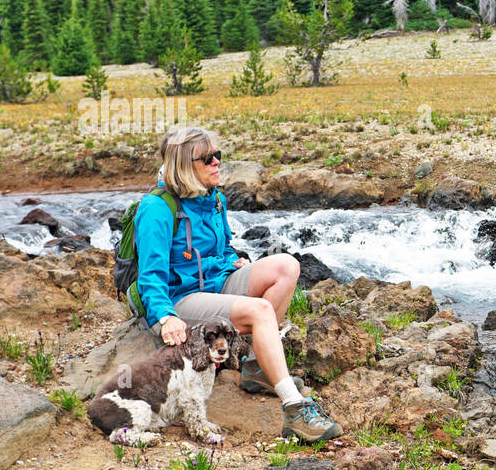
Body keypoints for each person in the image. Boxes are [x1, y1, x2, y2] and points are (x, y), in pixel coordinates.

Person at [135, 126, 342, 442]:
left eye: (217, 154)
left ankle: (258, 368)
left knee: (287, 266)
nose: (217, 162)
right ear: (184, 166)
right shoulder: (156, 209)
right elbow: (151, 277)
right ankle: (295, 410)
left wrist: (233, 261)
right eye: (207, 158)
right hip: (181, 299)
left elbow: (220, 248)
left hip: (215, 284)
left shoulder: (213, 198)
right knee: (260, 311)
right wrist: (165, 317)